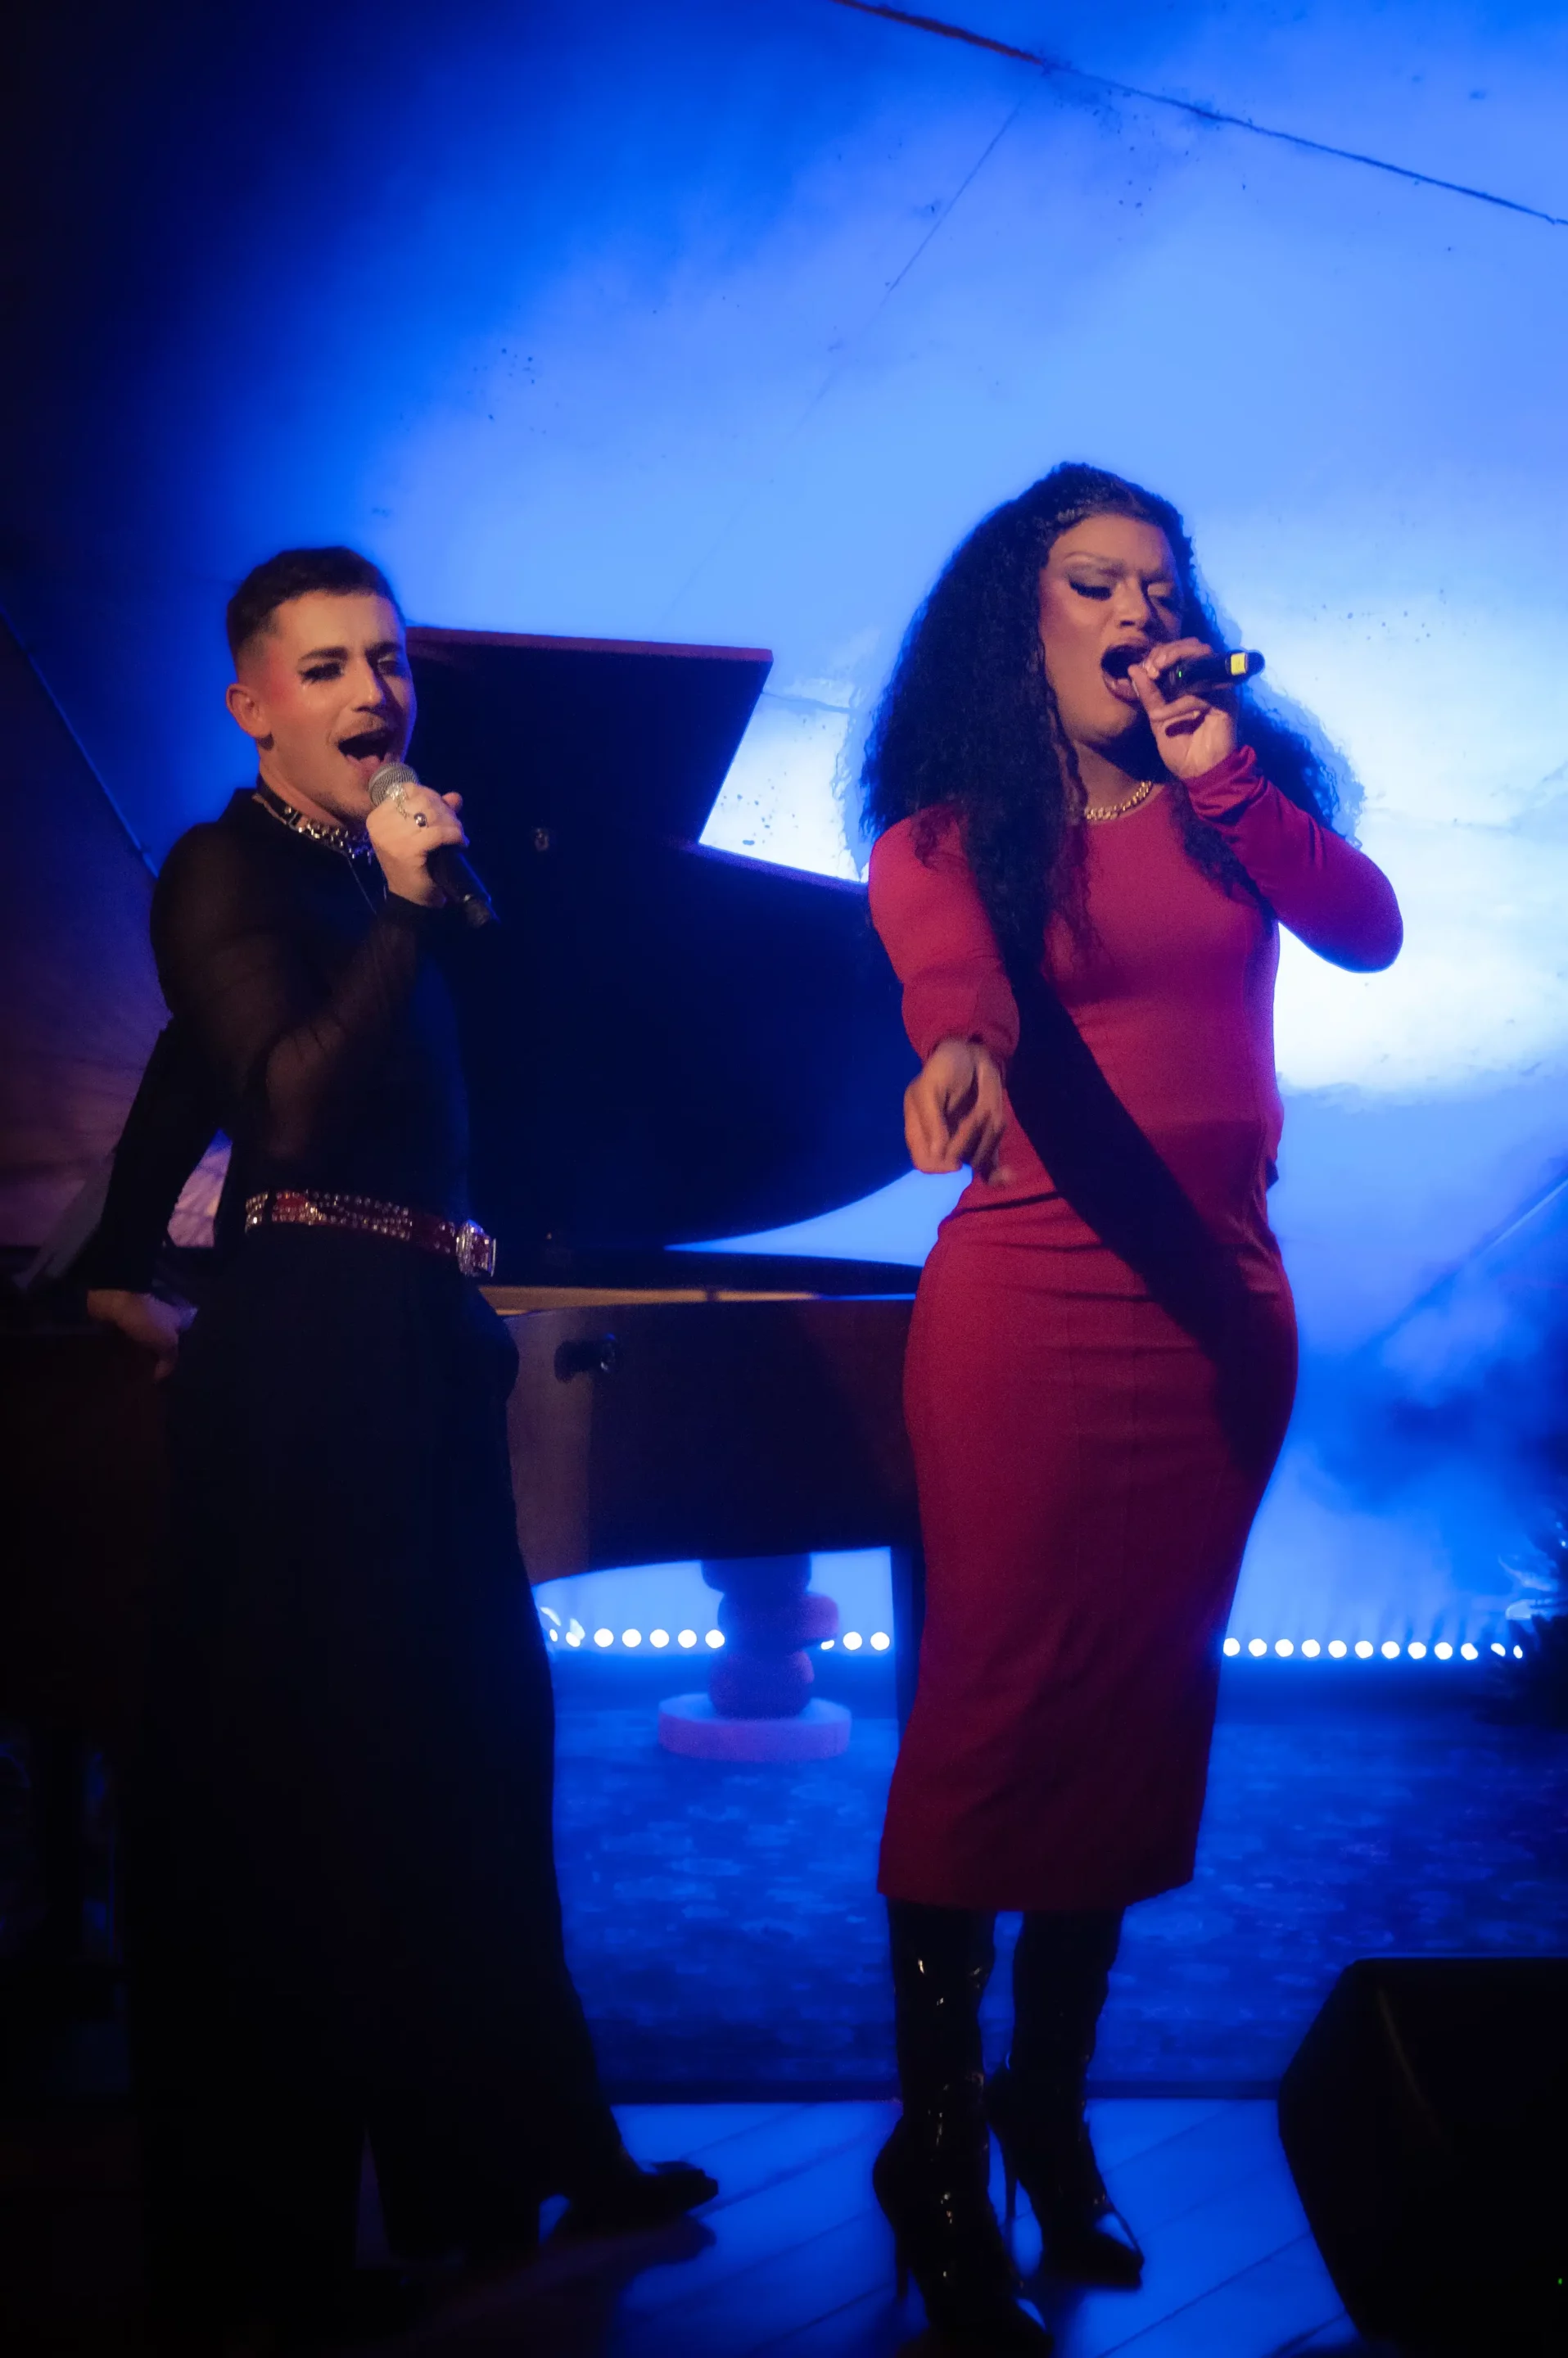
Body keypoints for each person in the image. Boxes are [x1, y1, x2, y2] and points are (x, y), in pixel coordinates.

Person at [105, 547, 714, 2354]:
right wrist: (396, 912)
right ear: (253, 703)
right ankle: (272, 2257)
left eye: (386, 659)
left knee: (480, 1764)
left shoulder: (371, 873)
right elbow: (280, 1105)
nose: (372, 691)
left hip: (421, 1346)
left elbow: (179, 1076)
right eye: (327, 667)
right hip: (310, 1358)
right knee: (312, 1801)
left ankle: (533, 2160)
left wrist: (115, 1254)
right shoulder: (227, 866)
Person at [862, 465, 1402, 2349]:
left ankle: (1047, 2104)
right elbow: (957, 980)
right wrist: (955, 1050)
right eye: (1092, 582)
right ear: (1019, 618)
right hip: (1030, 1314)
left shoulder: (1235, 797)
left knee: (1133, 1714)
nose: (1133, 611)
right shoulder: (945, 835)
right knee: (996, 1710)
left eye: (1157, 585)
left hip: (1218, 1319)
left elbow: (1366, 933)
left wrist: (1221, 775)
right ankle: (936, 2148)